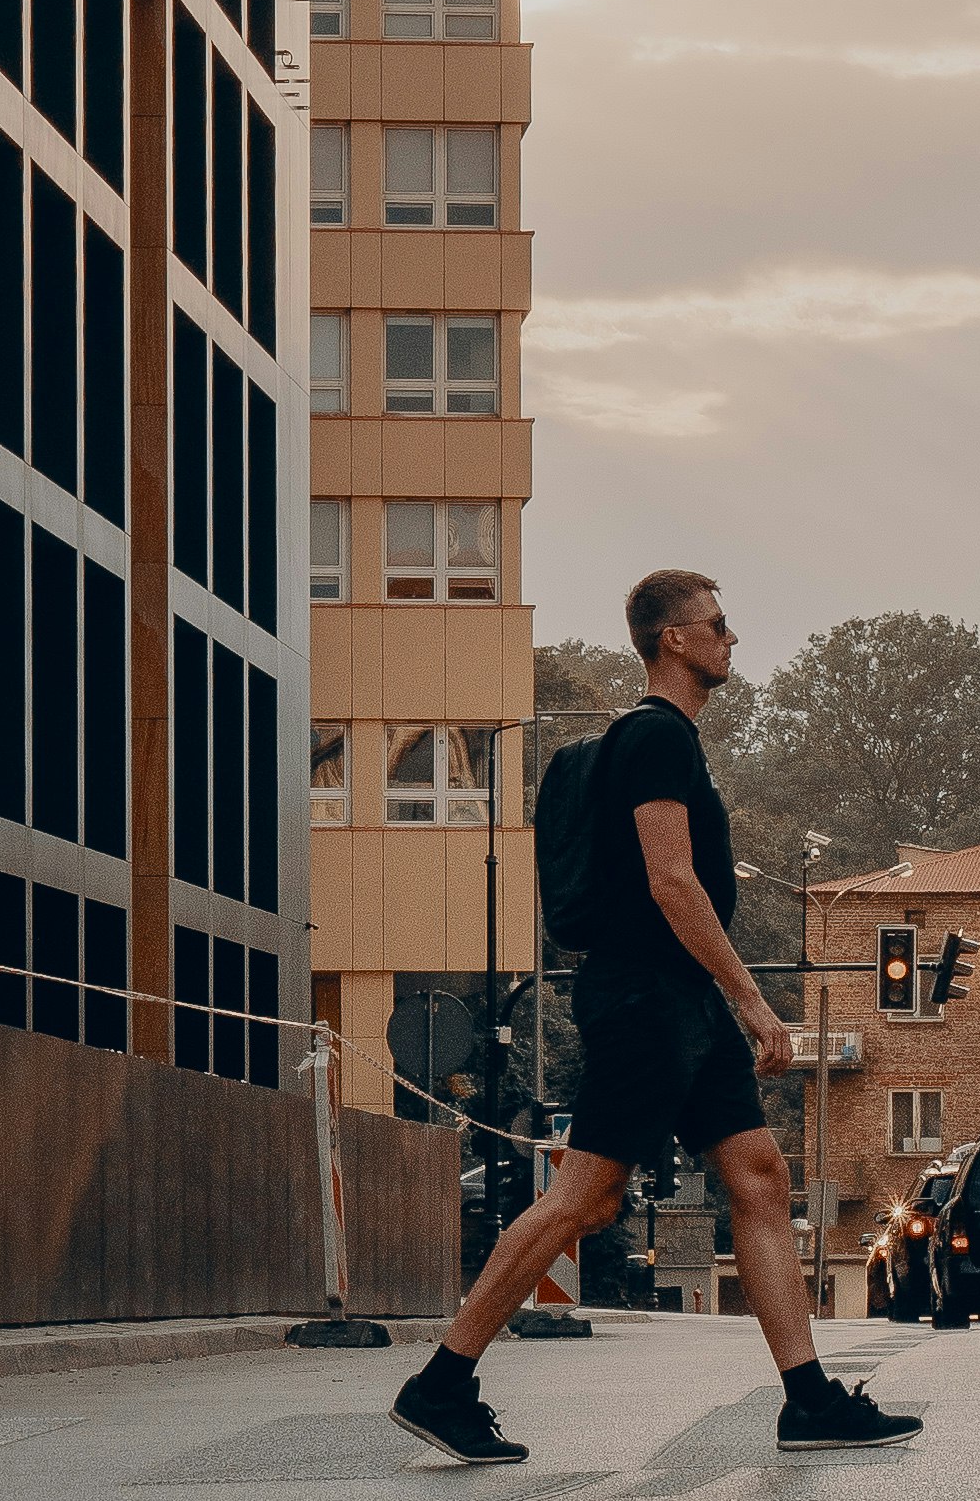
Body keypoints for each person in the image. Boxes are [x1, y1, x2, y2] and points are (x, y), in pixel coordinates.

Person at [393, 571, 919, 1467]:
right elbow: (670, 880)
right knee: (582, 1197)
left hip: (679, 999)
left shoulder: (669, 741)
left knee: (757, 1177)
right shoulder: (653, 738)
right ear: (673, 639)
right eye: (717, 624)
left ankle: (808, 1401)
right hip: (646, 999)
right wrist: (754, 1002)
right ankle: (441, 1381)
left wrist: (720, 1003)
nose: (731, 637)